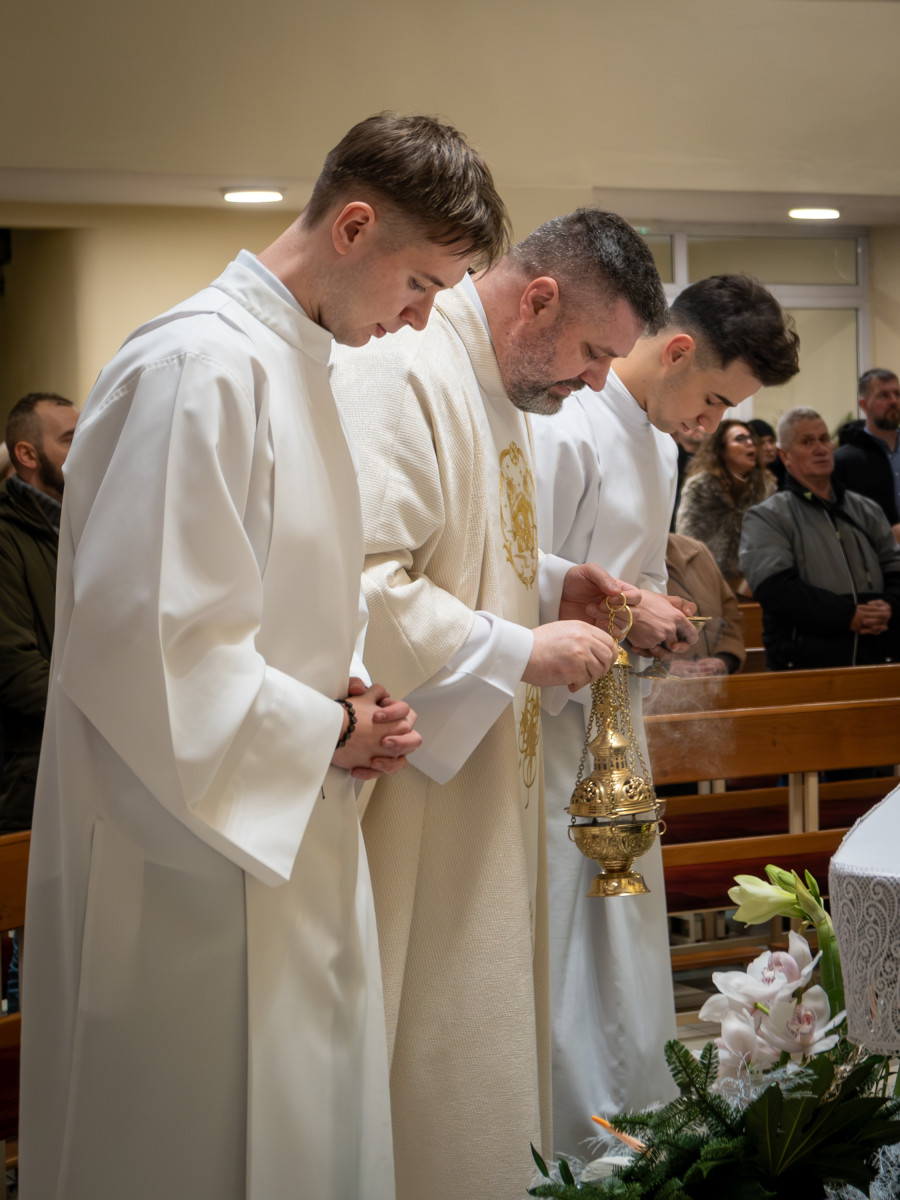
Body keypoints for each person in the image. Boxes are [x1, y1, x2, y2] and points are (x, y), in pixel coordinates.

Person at [20, 112, 510, 1200]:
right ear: (353, 226)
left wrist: (345, 685)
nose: (419, 318)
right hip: (182, 861)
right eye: (421, 284)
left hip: (279, 823)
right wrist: (328, 727)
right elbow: (151, 648)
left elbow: (278, 590)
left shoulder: (293, 359)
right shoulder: (196, 364)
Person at [331, 208, 676, 1200]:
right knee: (431, 1048)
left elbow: (471, 551)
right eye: (594, 352)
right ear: (539, 300)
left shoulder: (504, 390)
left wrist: (555, 584)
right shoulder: (407, 371)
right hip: (413, 782)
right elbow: (365, 589)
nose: (599, 382)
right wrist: (523, 648)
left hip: (487, 769)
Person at [532, 273, 799, 1155]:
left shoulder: (655, 442)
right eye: (714, 400)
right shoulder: (566, 420)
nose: (712, 423)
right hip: (547, 731)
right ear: (677, 350)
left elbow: (637, 575)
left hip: (616, 719)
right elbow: (511, 573)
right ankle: (573, 1144)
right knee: (569, 946)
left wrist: (659, 612)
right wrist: (625, 610)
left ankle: (641, 1129)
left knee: (625, 935)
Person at [740, 406, 900, 670]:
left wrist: (889, 606)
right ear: (785, 455)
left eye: (824, 439)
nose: (820, 449)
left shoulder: (866, 509)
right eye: (807, 442)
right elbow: (776, 590)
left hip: (875, 656)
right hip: (806, 664)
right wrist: (848, 615)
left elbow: (894, 567)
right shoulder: (767, 516)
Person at [0, 393, 78, 833]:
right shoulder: (6, 538)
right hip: (34, 783)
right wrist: (110, 710)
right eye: (69, 439)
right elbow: (15, 670)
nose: (85, 447)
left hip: (96, 767)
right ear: (27, 455)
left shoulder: (88, 528)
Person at [676, 418, 777, 595]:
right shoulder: (701, 486)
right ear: (721, 450)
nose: (750, 443)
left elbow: (772, 539)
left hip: (753, 581)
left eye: (751, 438)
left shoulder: (765, 486)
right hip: (705, 582)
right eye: (740, 439)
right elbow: (686, 540)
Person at [665, 533, 746, 675]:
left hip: (716, 683)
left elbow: (730, 615)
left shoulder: (697, 550)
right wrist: (662, 669)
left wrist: (724, 659)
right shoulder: (625, 557)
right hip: (652, 687)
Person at [833, 368, 900, 539]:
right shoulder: (843, 460)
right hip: (873, 552)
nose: (894, 401)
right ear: (863, 405)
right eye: (883, 395)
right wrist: (887, 535)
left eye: (897, 394)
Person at [748, 416, 785, 490]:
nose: (769, 448)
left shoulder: (784, 468)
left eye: (771, 441)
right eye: (761, 443)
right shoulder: (745, 476)